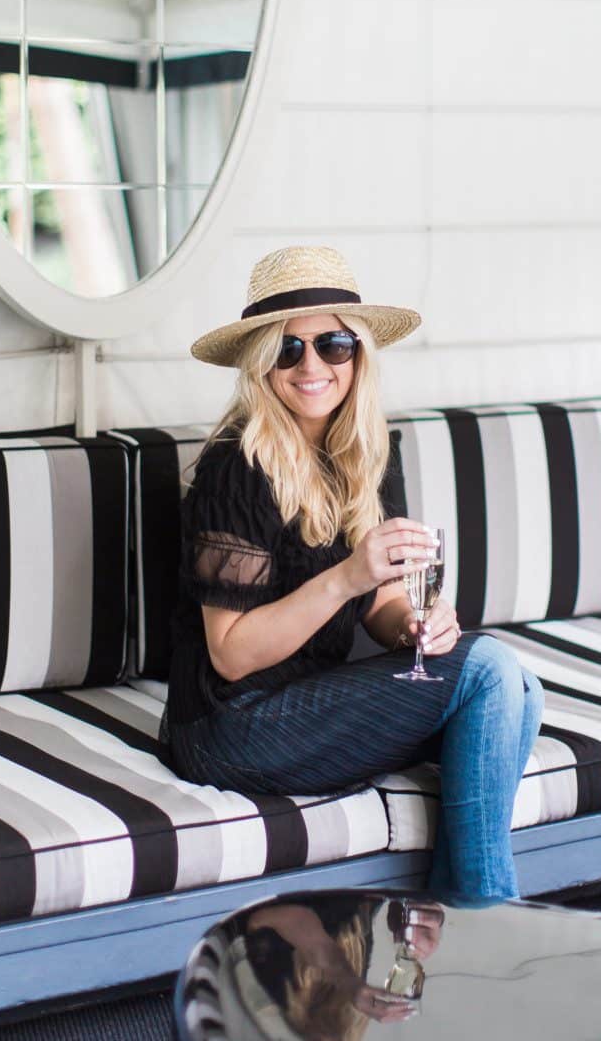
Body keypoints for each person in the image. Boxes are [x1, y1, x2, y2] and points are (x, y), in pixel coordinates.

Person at [164, 245, 544, 904]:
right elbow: (230, 657)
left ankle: (452, 919)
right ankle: (488, 914)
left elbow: (384, 603)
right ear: (262, 365)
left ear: (359, 353)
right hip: (232, 726)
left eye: (333, 344)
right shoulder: (237, 467)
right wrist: (345, 576)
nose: (312, 366)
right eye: (288, 350)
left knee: (519, 687)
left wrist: (414, 626)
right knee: (490, 675)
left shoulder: (366, 447)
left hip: (310, 699)